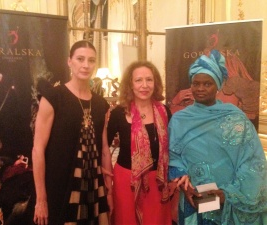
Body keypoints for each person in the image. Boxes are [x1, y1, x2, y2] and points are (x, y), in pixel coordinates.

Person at [168, 49, 267, 225]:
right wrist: (184, 182)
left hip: (227, 199)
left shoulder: (235, 118)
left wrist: (227, 194)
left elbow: (252, 162)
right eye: (195, 83)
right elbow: (173, 158)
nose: (200, 89)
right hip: (194, 198)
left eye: (207, 84)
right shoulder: (179, 120)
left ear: (218, 86)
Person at [32, 40, 113, 225]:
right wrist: (41, 199)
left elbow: (105, 149)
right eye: (80, 59)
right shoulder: (53, 97)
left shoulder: (101, 104)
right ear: (70, 61)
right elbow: (38, 150)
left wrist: (109, 191)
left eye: (91, 60)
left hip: (93, 185)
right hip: (59, 184)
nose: (86, 65)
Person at [104, 61, 173, 225]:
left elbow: (173, 147)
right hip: (126, 183)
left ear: (155, 83)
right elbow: (104, 147)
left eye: (149, 80)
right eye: (138, 80)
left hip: (157, 182)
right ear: (130, 84)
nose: (144, 85)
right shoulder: (119, 113)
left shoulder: (164, 111)